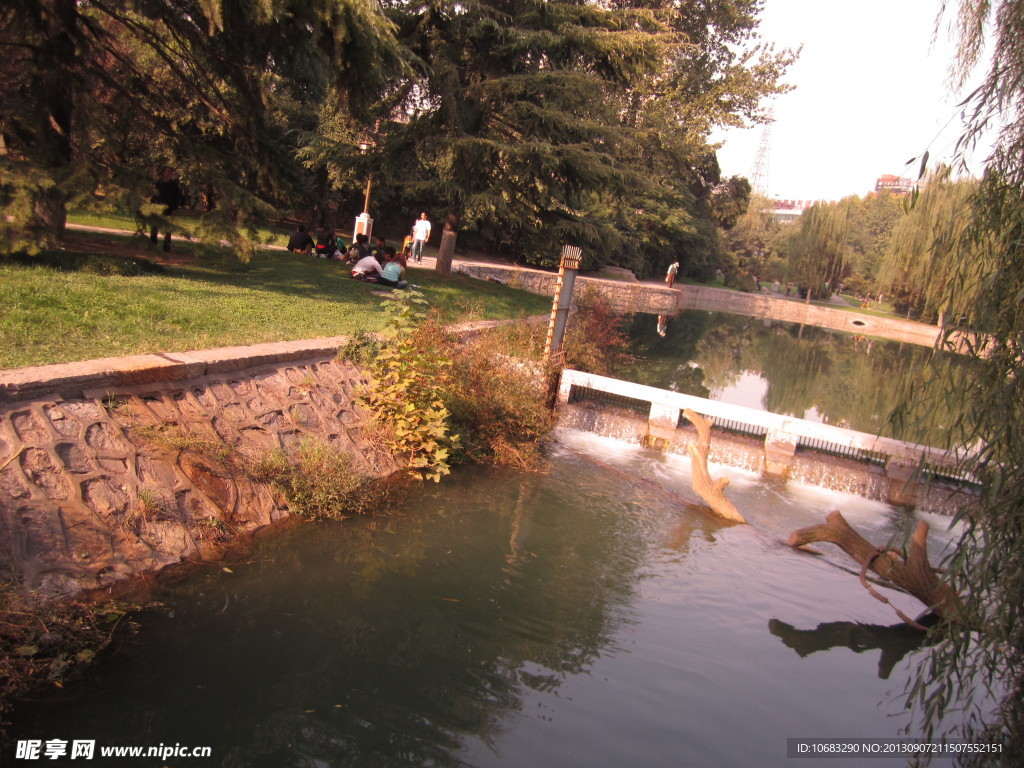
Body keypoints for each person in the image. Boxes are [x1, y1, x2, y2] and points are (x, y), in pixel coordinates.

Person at [151, 166, 183, 252]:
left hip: (168, 209)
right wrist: (152, 206)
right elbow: (154, 195)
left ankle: (167, 247)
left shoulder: (174, 185)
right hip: (157, 208)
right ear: (163, 172)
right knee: (154, 228)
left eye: (170, 172)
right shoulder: (159, 183)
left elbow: (176, 198)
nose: (168, 173)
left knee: (167, 229)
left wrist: (174, 209)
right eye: (167, 171)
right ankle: (153, 246)